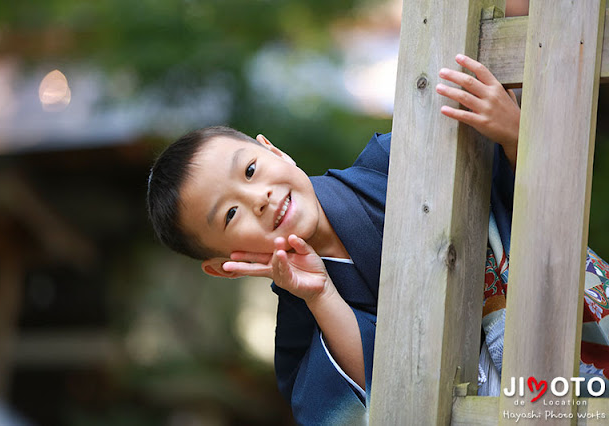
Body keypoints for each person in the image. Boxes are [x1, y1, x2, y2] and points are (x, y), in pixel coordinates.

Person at [147, 55, 609, 423]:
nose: (259, 199)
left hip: (570, 337)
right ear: (222, 263)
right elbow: (385, 405)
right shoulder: (302, 333)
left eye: (249, 170)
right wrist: (322, 296)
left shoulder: (401, 158)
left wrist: (514, 134)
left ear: (273, 150)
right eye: (230, 214)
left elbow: (550, 194)